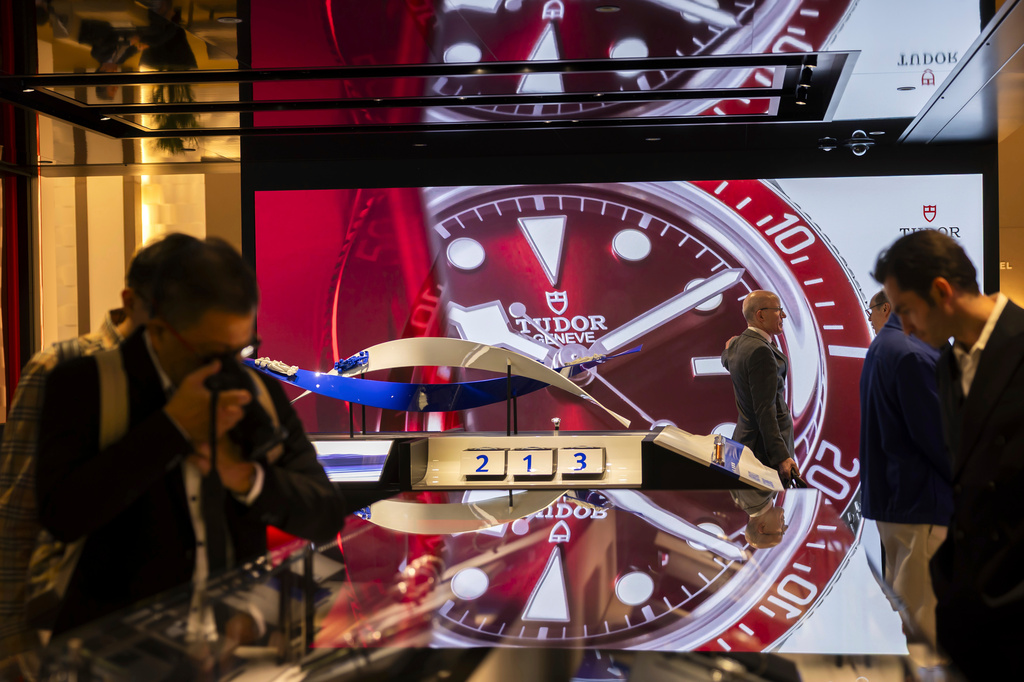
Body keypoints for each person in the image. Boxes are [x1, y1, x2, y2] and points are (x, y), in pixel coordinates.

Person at [33, 238, 351, 636]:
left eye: (242, 349)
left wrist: (245, 478)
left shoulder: (255, 390)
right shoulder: (83, 384)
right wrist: (172, 428)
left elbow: (325, 514)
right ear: (159, 329)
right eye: (210, 353)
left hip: (233, 649)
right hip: (113, 655)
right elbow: (62, 516)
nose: (228, 367)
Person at [0, 233, 200, 667]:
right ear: (133, 302)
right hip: (83, 622)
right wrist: (14, 645)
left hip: (180, 627)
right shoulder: (64, 369)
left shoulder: (197, 374)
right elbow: (18, 513)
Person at [874, 230, 1024, 679]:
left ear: (941, 291)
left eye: (905, 310)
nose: (906, 326)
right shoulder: (947, 362)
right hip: (972, 611)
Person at [858, 287, 952, 648]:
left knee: (908, 605)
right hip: (919, 500)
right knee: (925, 617)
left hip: (897, 497)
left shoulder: (885, 346)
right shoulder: (911, 352)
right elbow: (936, 434)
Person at [721, 290, 800, 485]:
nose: (783, 315)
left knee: (753, 510)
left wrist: (728, 349)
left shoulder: (737, 345)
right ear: (761, 315)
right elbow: (765, 410)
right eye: (778, 310)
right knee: (764, 512)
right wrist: (781, 457)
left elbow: (727, 358)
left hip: (742, 443)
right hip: (761, 453)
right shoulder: (761, 351)